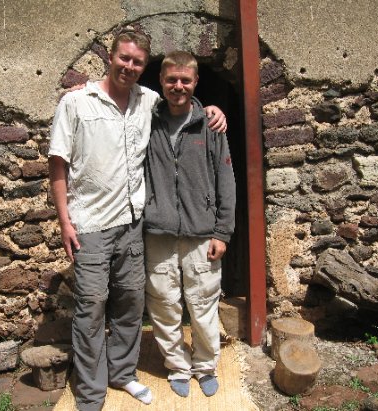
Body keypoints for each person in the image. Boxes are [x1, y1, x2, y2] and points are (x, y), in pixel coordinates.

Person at [48, 30, 226, 411]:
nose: (129, 66)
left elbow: (188, 108)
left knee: (133, 306)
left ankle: (125, 373)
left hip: (133, 224)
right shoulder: (79, 102)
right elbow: (58, 164)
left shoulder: (153, 104)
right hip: (94, 225)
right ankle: (93, 393)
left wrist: (212, 109)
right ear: (111, 57)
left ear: (145, 69)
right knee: (94, 308)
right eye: (124, 58)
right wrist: (64, 221)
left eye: (137, 62)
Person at [143, 50, 236, 398]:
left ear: (195, 82)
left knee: (202, 304)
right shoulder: (146, 121)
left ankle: (205, 366)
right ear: (162, 83)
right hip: (158, 232)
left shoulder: (210, 125)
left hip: (202, 233)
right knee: (164, 305)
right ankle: (177, 367)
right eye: (171, 80)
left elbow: (226, 179)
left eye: (185, 80)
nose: (178, 86)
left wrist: (222, 231)